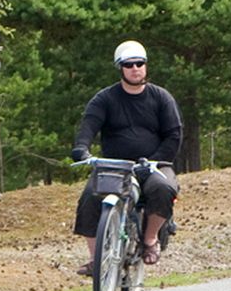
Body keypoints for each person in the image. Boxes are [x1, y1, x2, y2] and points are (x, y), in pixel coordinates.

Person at [69, 40, 182, 273]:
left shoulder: (161, 98)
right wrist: (82, 149)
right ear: (120, 67)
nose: (135, 68)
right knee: (90, 197)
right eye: (129, 64)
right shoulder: (104, 99)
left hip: (153, 165)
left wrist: (155, 160)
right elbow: (88, 127)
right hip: (115, 166)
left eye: (139, 63)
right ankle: (96, 258)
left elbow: (174, 134)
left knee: (163, 188)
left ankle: (150, 240)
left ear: (146, 66)